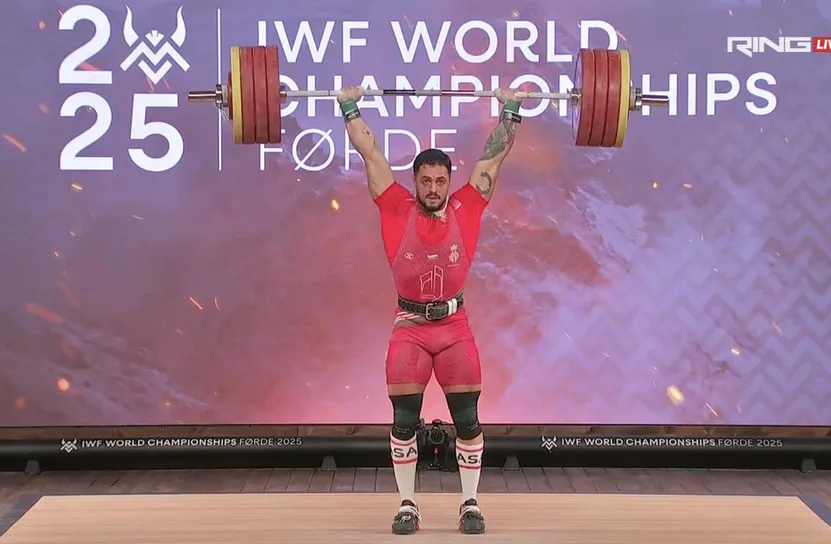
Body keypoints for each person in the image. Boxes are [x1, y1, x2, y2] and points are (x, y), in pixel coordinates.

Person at [337, 85, 522, 535]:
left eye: (440, 181)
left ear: (448, 181)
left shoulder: (468, 204)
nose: (434, 188)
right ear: (415, 181)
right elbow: (370, 152)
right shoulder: (394, 206)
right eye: (426, 181)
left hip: (455, 327)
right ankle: (407, 504)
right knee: (404, 421)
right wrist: (349, 105)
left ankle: (470, 504)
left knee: (468, 420)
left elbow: (493, 158)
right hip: (410, 328)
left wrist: (511, 109)